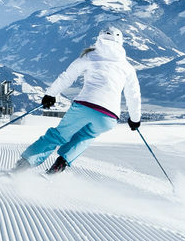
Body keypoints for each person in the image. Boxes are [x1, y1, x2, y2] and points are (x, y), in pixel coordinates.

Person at [15, 27, 142, 174]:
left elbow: (67, 76)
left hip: (84, 106)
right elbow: (133, 95)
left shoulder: (90, 56)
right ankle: (58, 167)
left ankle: (23, 165)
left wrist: (51, 94)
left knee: (58, 135)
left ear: (99, 39)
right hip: (108, 116)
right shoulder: (128, 67)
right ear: (121, 43)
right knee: (85, 136)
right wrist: (135, 119)